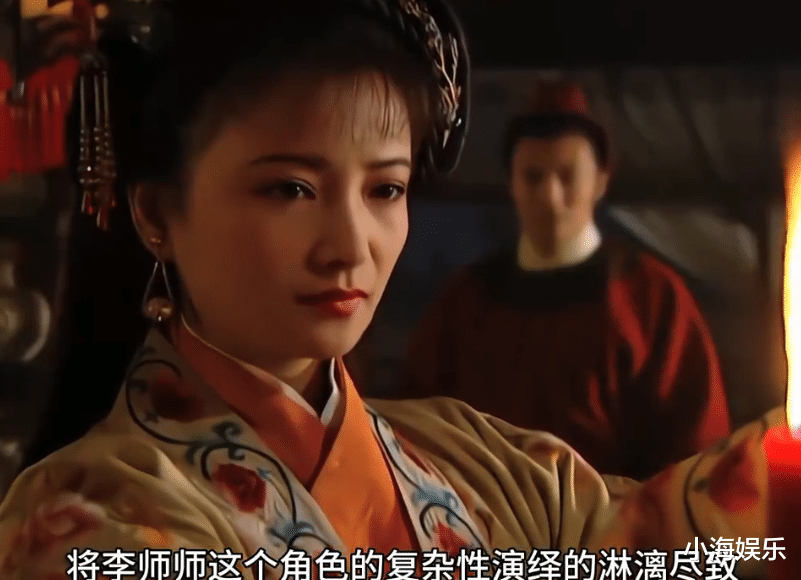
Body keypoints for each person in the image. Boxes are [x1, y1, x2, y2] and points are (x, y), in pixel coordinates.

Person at [0, 2, 777, 579]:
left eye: (385, 189)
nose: (351, 247)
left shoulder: (488, 464)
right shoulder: (91, 519)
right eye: (290, 189)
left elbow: (655, 543)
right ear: (155, 213)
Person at [398, 80, 732, 480]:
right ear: (512, 184)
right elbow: (415, 429)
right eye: (533, 177)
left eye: (567, 176)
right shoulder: (465, 299)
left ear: (601, 180)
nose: (550, 197)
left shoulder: (651, 298)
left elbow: (695, 455)